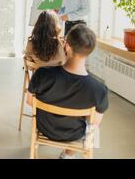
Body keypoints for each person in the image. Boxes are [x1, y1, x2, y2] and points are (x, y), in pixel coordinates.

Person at [27, 24, 108, 159]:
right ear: (90, 51)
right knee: (94, 128)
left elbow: (29, 101)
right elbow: (94, 124)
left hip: (44, 128)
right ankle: (68, 155)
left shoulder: (42, 74)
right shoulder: (99, 90)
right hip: (75, 134)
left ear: (67, 46)